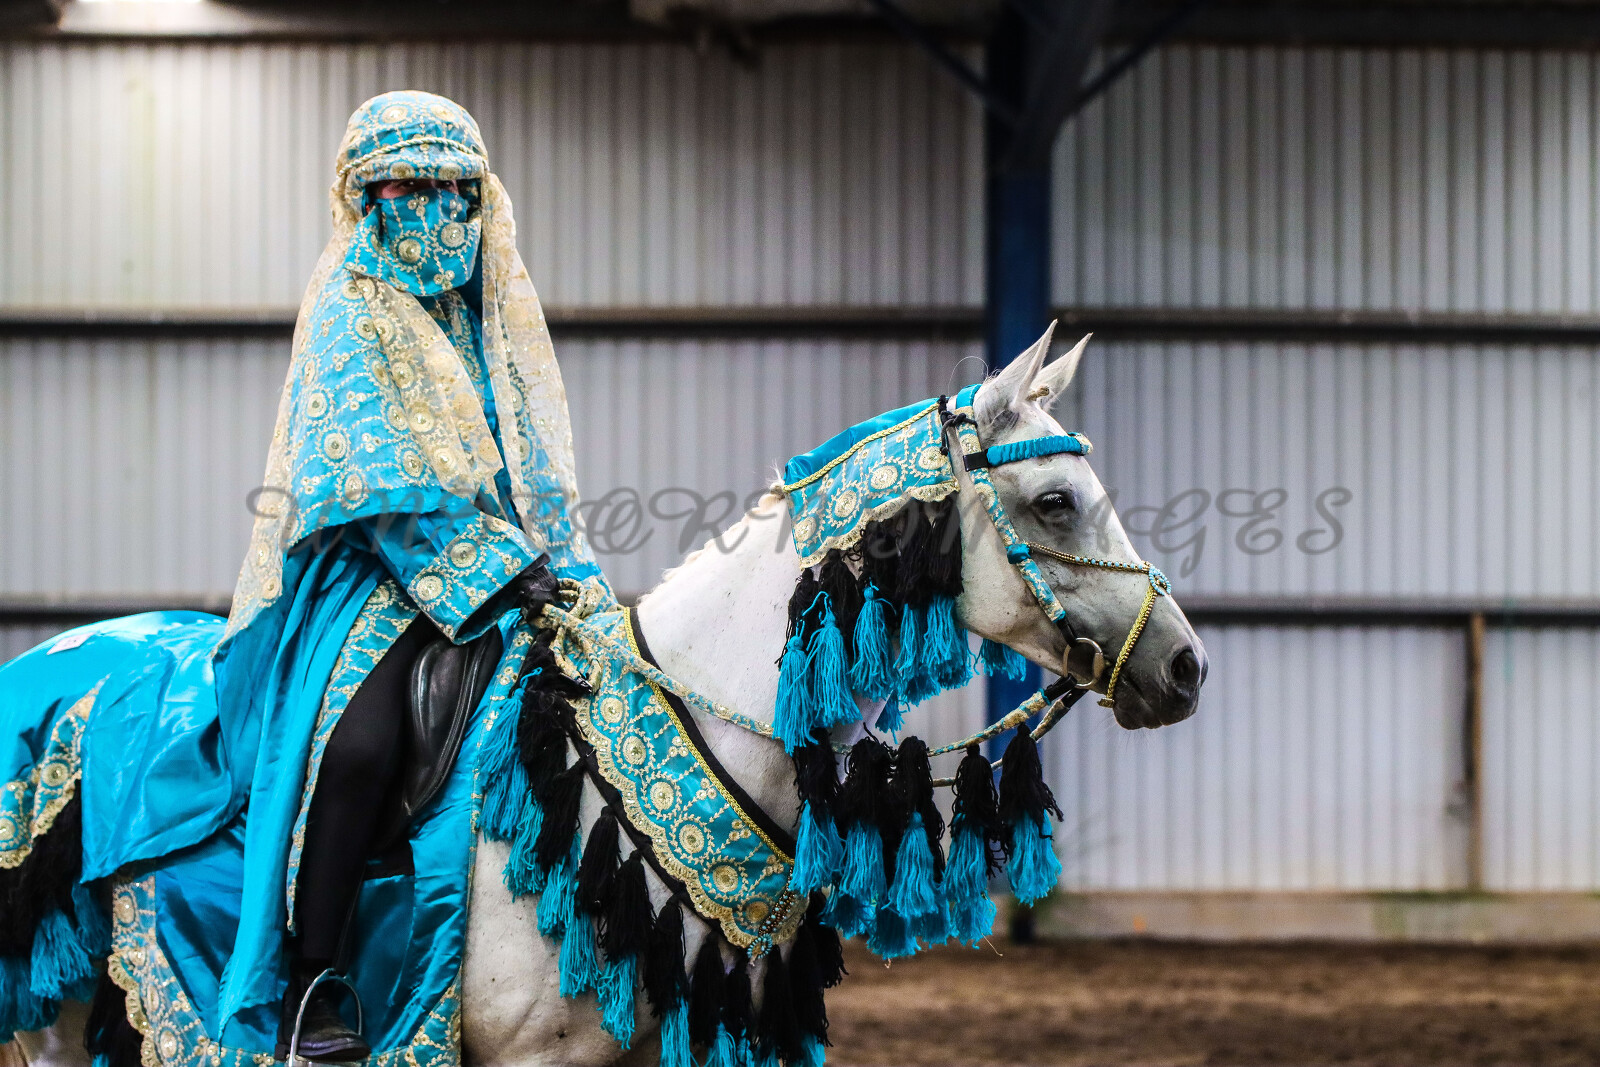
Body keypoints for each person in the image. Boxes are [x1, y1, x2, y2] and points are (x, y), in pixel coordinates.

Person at [208, 91, 600, 1062]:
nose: (433, 208)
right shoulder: (349, 304)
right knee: (361, 746)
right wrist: (499, 569)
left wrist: (559, 565)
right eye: (407, 186)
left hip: (507, 571)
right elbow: (378, 488)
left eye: (452, 189)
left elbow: (530, 457)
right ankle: (314, 981)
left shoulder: (487, 308)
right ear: (368, 197)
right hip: (374, 577)